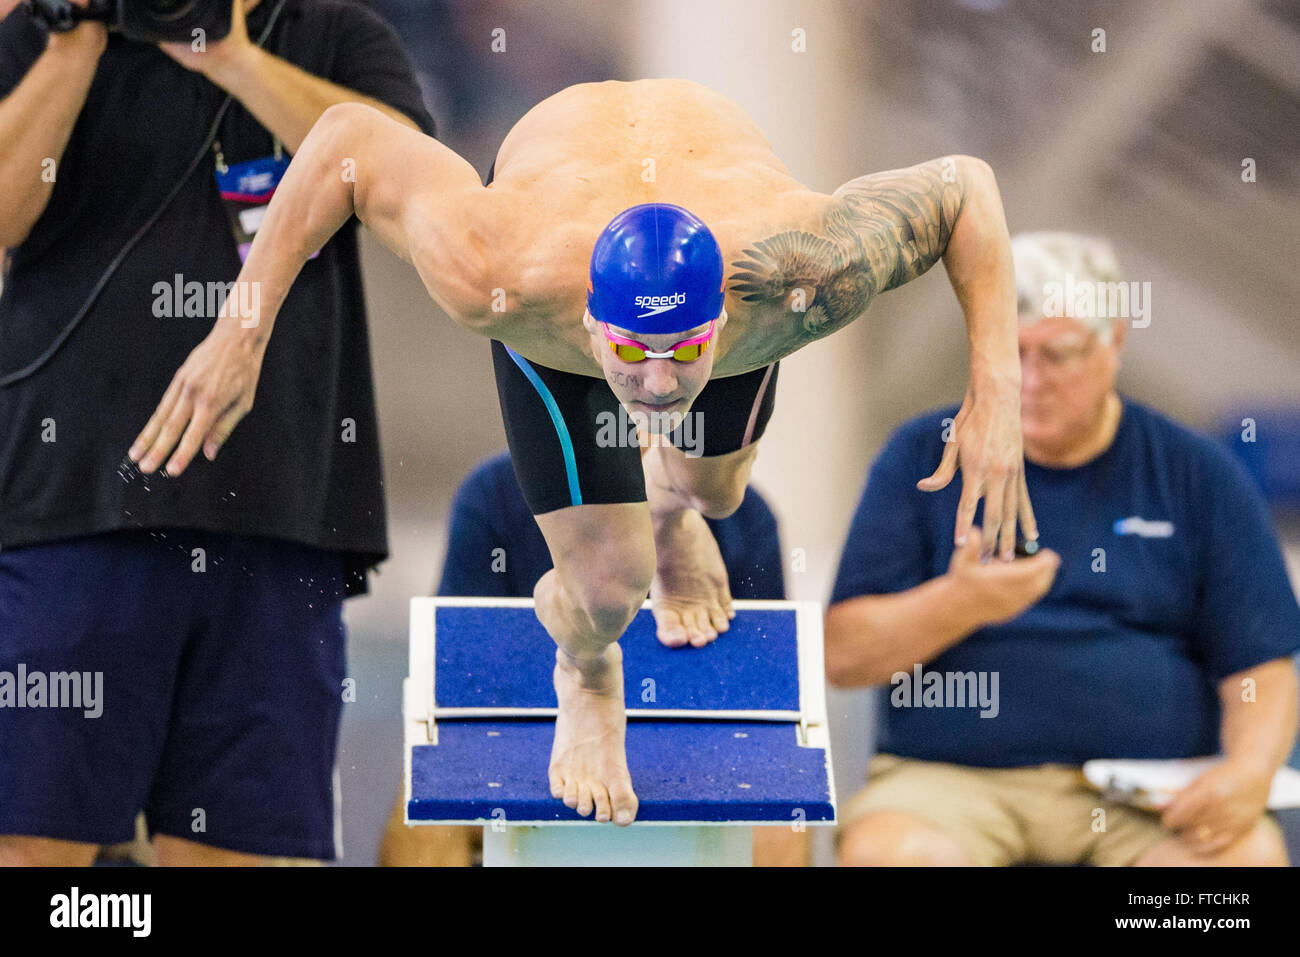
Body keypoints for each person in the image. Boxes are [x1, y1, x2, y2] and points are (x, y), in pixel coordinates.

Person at [129, 78, 1039, 825]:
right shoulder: (497, 272)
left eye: (680, 352)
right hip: (558, 222)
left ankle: (676, 506)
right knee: (610, 583)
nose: (651, 385)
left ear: (723, 318)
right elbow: (343, 142)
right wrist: (239, 331)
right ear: (597, 325)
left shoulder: (804, 273)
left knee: (719, 495)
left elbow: (965, 187)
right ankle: (589, 671)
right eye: (630, 354)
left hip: (723, 207)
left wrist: (994, 386)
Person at [0, 0, 433, 865]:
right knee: (37, 848)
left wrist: (230, 54)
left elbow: (413, 185)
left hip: (276, 520)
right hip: (71, 511)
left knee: (244, 849)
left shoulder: (334, 36)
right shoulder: (47, 31)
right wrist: (75, 40)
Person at [826, 232, 1300, 867]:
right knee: (896, 855)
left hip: (1149, 795)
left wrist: (1247, 774)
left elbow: (1261, 669)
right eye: (1010, 353)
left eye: (1059, 354)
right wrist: (957, 603)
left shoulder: (1197, 473)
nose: (1029, 379)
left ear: (1115, 343)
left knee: (1238, 869)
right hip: (950, 784)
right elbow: (843, 657)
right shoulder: (922, 454)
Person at [378, 450, 807, 865]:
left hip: (695, 747)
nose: (649, 394)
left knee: (781, 818)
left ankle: (657, 519)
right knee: (428, 809)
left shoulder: (746, 517)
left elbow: (764, 703)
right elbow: (458, 680)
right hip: (521, 734)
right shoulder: (495, 493)